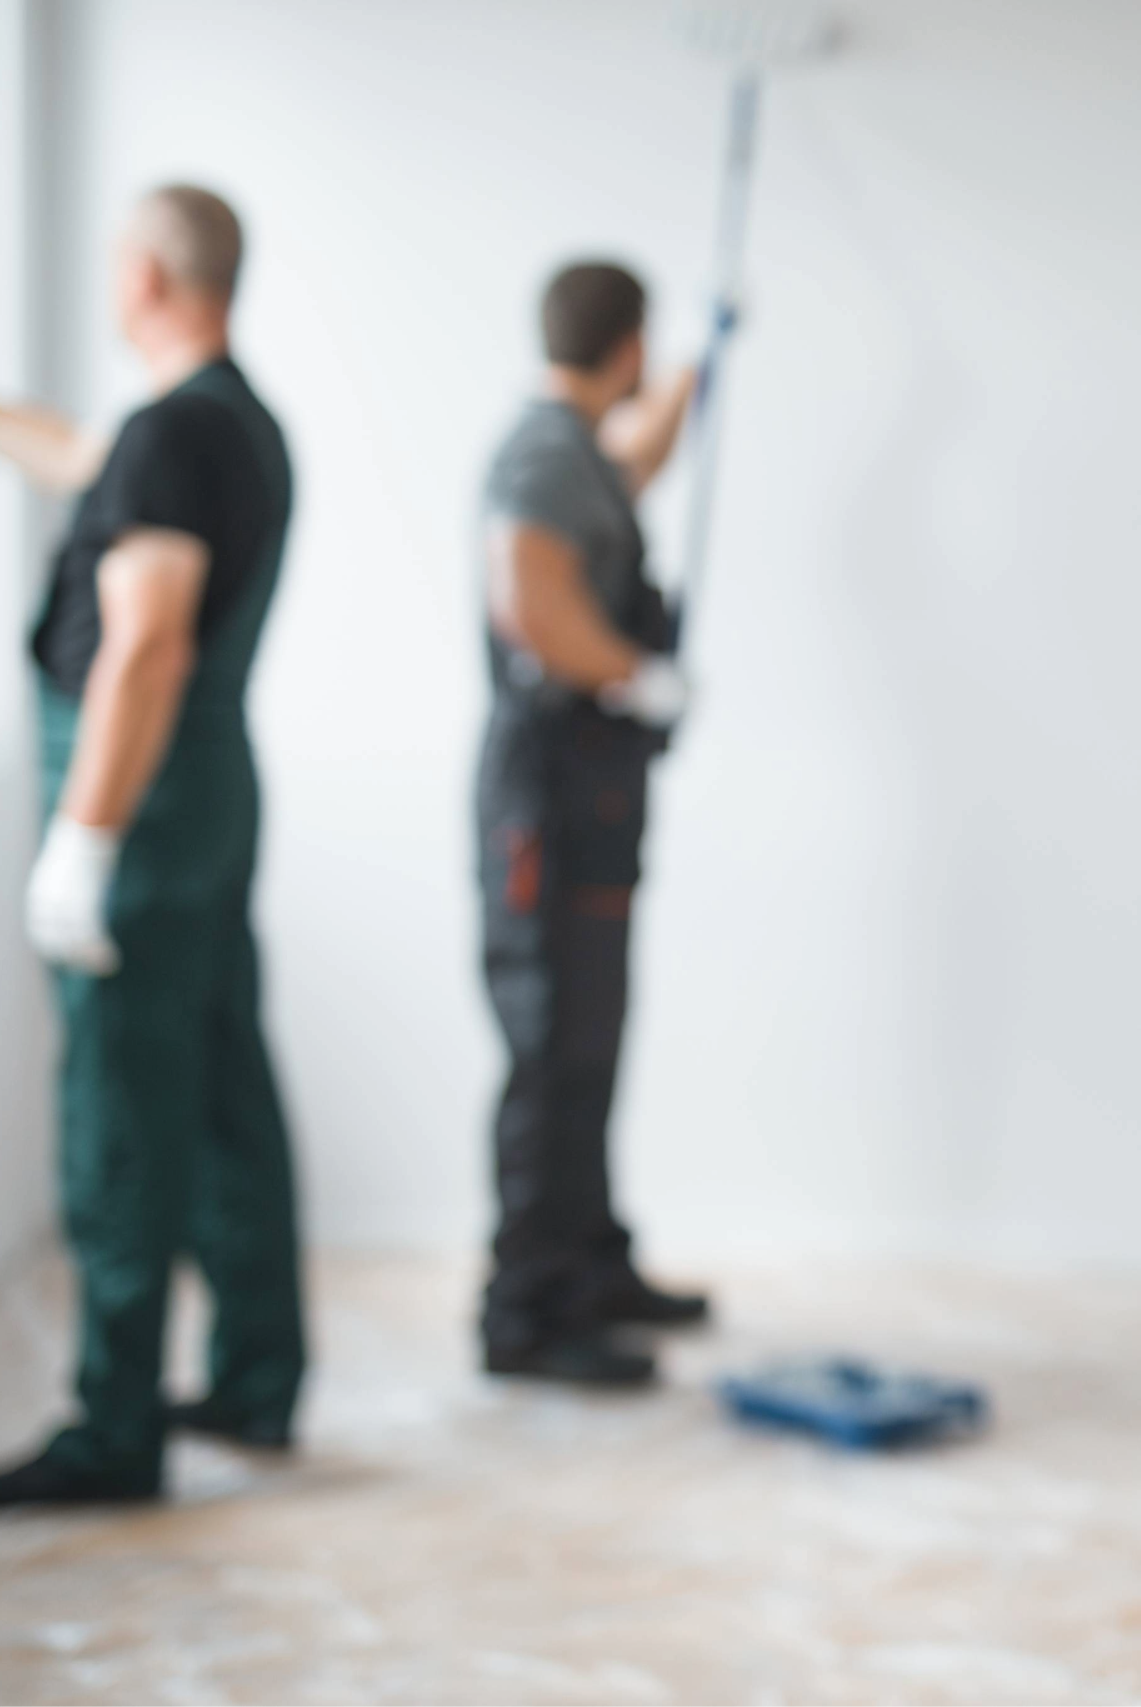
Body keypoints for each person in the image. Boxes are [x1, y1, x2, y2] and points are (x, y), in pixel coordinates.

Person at [0, 186, 306, 1504]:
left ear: (153, 274)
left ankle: (114, 1429)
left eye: (119, 257)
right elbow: (75, 456)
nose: (111, 274)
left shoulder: (175, 436)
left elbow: (147, 641)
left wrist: (84, 837)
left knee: (119, 1108)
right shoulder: (233, 421)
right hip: (209, 788)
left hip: (144, 799)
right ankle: (258, 1377)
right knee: (224, 1087)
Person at [473, 261, 708, 1384]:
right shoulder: (541, 456)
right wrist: (633, 673)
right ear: (627, 344)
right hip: (547, 800)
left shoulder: (581, 456)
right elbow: (524, 596)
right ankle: (526, 1307)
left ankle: (591, 1260)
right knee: (550, 1042)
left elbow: (635, 463)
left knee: (592, 1032)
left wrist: (698, 370)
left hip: (590, 794)